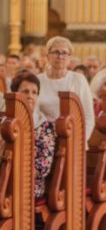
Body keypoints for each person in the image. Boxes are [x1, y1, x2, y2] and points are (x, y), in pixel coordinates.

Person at [37, 36, 95, 140]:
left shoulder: (78, 79)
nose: (60, 56)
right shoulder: (38, 80)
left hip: (73, 137)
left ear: (69, 57)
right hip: (44, 137)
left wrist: (81, 140)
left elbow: (88, 116)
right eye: (56, 52)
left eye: (64, 53)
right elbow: (34, 113)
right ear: (47, 56)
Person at [11, 72, 56, 200]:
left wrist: (16, 174)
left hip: (29, 185)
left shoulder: (45, 125)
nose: (30, 96)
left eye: (34, 92)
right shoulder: (5, 121)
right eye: (25, 91)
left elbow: (43, 167)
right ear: (14, 94)